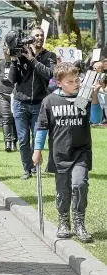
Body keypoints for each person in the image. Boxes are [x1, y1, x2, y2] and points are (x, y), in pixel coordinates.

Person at [33, 62, 102, 243]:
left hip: (81, 151)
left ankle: (79, 222)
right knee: (63, 191)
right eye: (70, 81)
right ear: (59, 82)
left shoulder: (83, 97)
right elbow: (41, 128)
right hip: (60, 153)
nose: (76, 84)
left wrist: (94, 95)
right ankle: (64, 221)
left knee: (79, 185)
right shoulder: (50, 101)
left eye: (77, 79)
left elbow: (95, 119)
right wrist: (37, 150)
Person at [9, 26, 56, 180]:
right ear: (30, 37)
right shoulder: (21, 54)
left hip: (39, 103)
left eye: (42, 35)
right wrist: (14, 60)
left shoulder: (50, 56)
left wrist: (32, 59)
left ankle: (35, 166)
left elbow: (49, 74)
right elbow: (12, 79)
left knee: (37, 137)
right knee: (22, 139)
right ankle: (26, 169)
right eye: (36, 35)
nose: (39, 38)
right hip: (20, 102)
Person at [0, 44, 18, 152]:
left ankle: (14, 141)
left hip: (16, 95)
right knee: (6, 119)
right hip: (3, 94)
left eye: (9, 49)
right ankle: (7, 142)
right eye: (5, 49)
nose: (7, 51)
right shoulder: (0, 63)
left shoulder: (18, 62)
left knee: (14, 119)